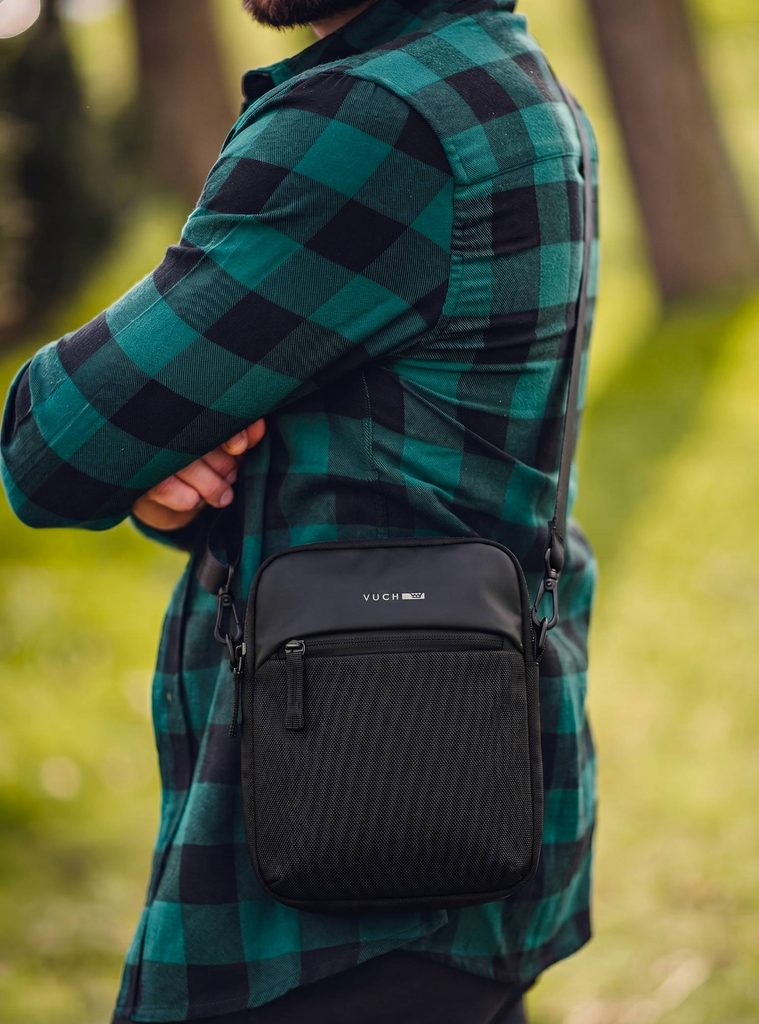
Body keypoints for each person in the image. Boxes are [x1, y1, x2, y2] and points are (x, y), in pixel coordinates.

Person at [0, 0, 600, 1020]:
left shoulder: (378, 119)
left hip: (343, 860)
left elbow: (52, 445)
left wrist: (143, 444)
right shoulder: (505, 78)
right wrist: (170, 479)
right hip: (465, 815)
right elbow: (417, 460)